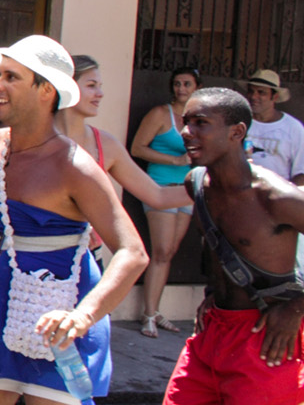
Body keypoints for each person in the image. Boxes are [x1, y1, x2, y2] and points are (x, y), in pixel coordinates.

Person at [0, 35, 148, 404]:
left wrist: (82, 317)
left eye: (12, 76)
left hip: (56, 321)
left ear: (46, 91)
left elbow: (132, 252)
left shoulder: (75, 166)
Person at [161, 87, 304, 405]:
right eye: (186, 121)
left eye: (201, 122)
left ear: (237, 132)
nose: (186, 132)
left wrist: (297, 308)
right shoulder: (196, 182)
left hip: (267, 341)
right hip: (210, 335)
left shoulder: (277, 197)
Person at [60, 58, 190, 338]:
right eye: (91, 85)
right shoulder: (32, 140)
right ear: (66, 86)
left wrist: (210, 185)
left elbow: (156, 195)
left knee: (86, 345)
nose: (100, 94)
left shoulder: (105, 144)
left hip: (88, 263)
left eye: (100, 86)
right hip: (37, 263)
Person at [244, 69, 304, 186]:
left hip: (277, 196)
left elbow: (301, 173)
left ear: (275, 97)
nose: (254, 97)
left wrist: (287, 198)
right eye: (251, 91)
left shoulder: (293, 128)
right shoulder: (240, 122)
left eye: (261, 92)